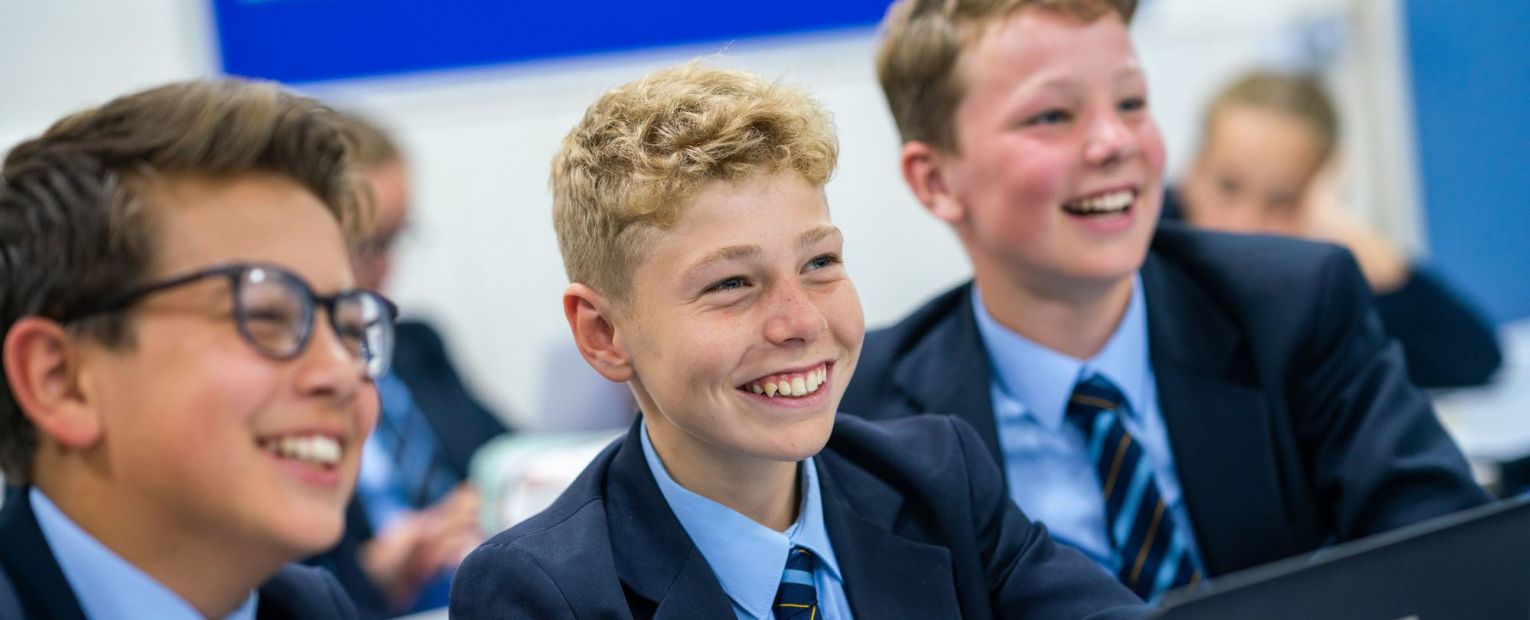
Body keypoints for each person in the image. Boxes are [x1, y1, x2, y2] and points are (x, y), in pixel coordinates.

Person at [841, 0, 1490, 602]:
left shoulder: (1290, 303)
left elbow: (1449, 555)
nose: (1116, 143)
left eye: (1131, 103)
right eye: (1052, 116)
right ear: (935, 180)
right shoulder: (866, 417)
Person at [449, 63, 1149, 619]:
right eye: (731, 284)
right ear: (604, 334)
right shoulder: (542, 593)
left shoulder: (938, 481)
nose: (801, 322)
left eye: (819, 265)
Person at [0, 79, 390, 619]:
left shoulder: (313, 608)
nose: (342, 374)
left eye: (349, 329)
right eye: (267, 316)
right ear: (61, 381)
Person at [1169, 70, 1502, 388]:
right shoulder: (1147, 250)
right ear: (1191, 171)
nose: (1244, 224)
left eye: (1282, 201)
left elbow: (1471, 358)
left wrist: (1342, 227)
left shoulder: (1317, 286)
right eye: (1228, 186)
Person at [303, 112, 506, 618]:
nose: (388, 267)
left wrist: (484, 501)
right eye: (369, 244)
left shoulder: (416, 344)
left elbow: (504, 451)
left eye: (397, 237)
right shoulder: (290, 383)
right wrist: (374, 574)